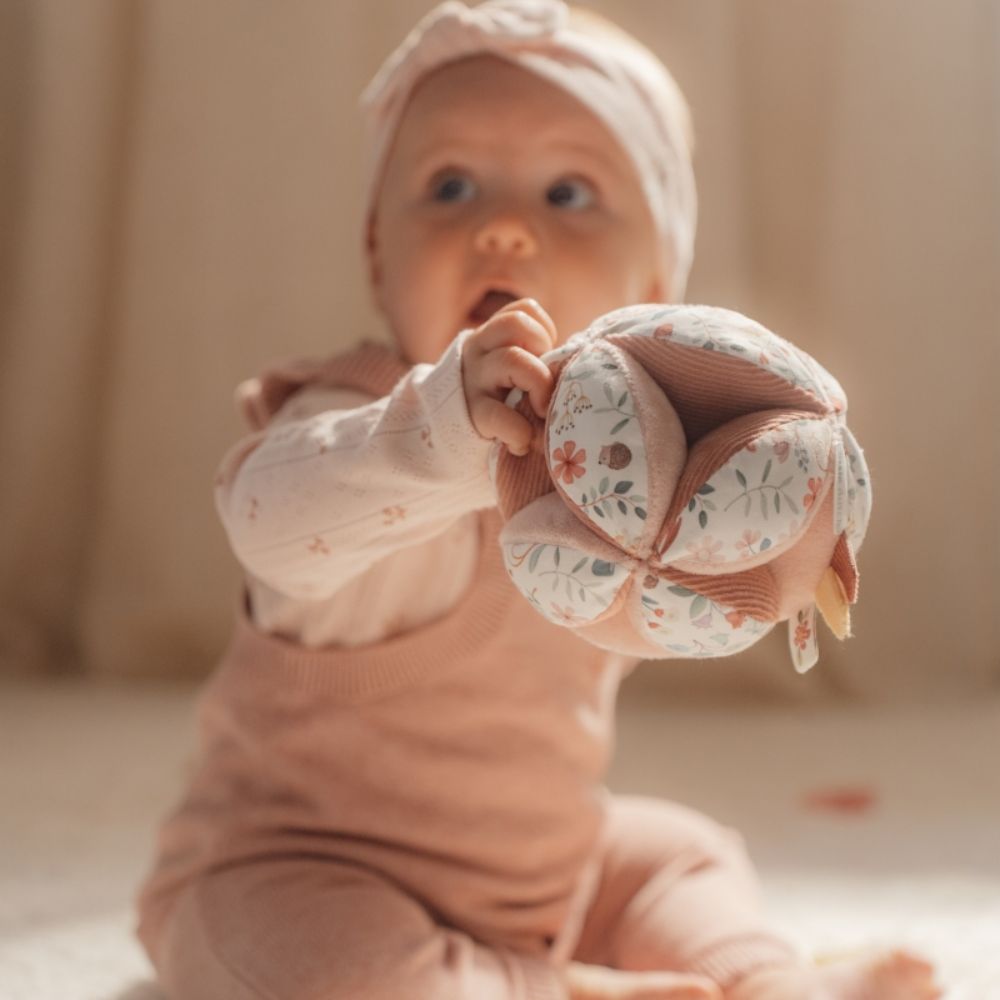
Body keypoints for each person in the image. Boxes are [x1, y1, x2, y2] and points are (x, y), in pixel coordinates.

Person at [134, 3, 940, 998]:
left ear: (654, 286)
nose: (503, 225)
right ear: (378, 253)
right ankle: (536, 986)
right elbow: (267, 521)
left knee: (679, 852)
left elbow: (712, 575)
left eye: (568, 192)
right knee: (311, 966)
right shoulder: (362, 415)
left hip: (543, 869)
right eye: (450, 185)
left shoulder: (646, 477)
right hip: (295, 868)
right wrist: (438, 430)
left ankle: (759, 977)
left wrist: (783, 538)